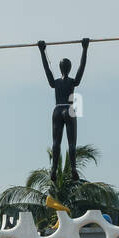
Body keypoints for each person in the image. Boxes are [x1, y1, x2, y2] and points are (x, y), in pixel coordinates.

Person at [38, 37, 90, 181]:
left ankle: (54, 169)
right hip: (69, 109)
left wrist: (41, 51)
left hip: (57, 109)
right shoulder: (73, 81)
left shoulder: (55, 83)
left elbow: (46, 69)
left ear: (60, 68)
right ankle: (73, 168)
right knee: (72, 142)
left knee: (56, 142)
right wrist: (85, 49)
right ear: (69, 68)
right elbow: (82, 67)